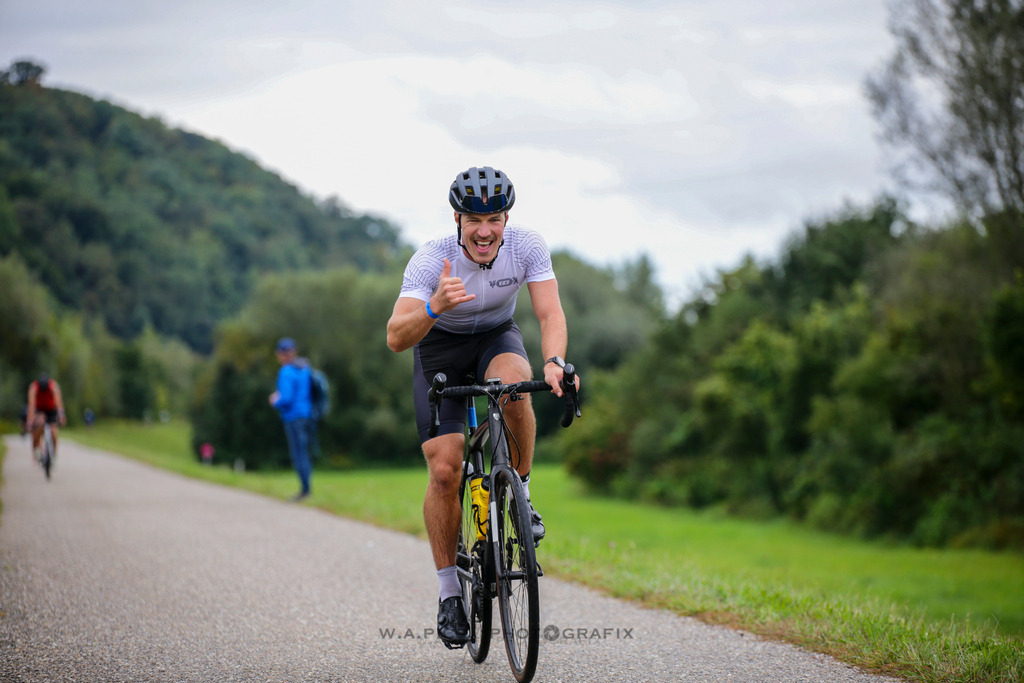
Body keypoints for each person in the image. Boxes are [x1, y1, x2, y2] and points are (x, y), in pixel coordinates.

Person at [386, 166, 579, 649]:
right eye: (474, 220)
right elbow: (395, 337)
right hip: (440, 348)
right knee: (445, 469)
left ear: (506, 218)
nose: (485, 231)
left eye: (494, 219)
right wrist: (434, 306)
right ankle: (449, 593)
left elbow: (550, 312)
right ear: (458, 219)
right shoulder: (431, 259)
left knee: (515, 387)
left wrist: (554, 361)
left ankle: (522, 493)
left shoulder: (527, 246)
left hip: (496, 337)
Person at [269, 337, 314, 502]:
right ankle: (307, 489)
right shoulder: (304, 368)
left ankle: (305, 491)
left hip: (293, 417)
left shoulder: (286, 371)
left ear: (280, 354)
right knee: (304, 453)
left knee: (298, 454)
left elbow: (286, 399)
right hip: (306, 415)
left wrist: (275, 400)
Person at [27, 373, 66, 461]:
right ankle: (37, 449)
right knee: (39, 427)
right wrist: (30, 420)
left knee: (53, 432)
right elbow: (31, 405)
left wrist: (61, 416)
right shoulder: (33, 388)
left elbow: (58, 403)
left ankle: (54, 454)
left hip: (50, 410)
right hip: (39, 410)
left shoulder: (53, 386)